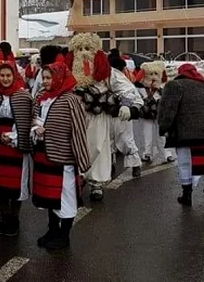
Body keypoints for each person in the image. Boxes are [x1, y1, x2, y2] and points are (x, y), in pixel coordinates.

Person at [66, 33, 139, 201]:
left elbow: (126, 88)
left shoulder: (106, 72)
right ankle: (77, 178)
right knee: (73, 147)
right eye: (79, 49)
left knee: (97, 146)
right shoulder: (67, 70)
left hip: (97, 116)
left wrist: (127, 104)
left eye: (88, 49)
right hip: (74, 116)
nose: (83, 53)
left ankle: (95, 183)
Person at [32, 62, 90, 250]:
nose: (46, 82)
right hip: (43, 155)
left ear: (59, 78)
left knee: (65, 197)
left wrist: (82, 160)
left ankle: (64, 236)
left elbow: (79, 130)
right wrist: (36, 128)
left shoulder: (71, 100)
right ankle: (52, 230)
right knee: (49, 196)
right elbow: (34, 118)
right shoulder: (41, 97)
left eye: (49, 78)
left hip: (62, 158)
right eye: (44, 78)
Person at [158, 64, 204, 206]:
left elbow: (168, 109)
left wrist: (163, 127)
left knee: (186, 162)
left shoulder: (175, 85)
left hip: (187, 132)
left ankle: (187, 195)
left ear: (181, 73)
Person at [0, 61, 33, 237]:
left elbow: (27, 123)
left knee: (15, 186)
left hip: (16, 149)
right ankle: (4, 216)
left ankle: (14, 218)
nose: (5, 79)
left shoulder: (24, 97)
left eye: (8, 75)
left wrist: (13, 137)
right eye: (2, 75)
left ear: (15, 76)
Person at [108, 49, 143, 178]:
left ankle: (135, 165)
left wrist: (127, 106)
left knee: (126, 140)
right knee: (108, 141)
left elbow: (131, 93)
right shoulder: (109, 74)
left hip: (122, 114)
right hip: (108, 113)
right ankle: (109, 165)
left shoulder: (118, 76)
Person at [135, 61, 175, 163]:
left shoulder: (163, 87)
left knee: (162, 135)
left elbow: (169, 98)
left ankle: (167, 153)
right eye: (150, 74)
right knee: (146, 134)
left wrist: (159, 90)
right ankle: (147, 154)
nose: (153, 77)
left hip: (160, 114)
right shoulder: (141, 89)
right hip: (146, 114)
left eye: (156, 74)